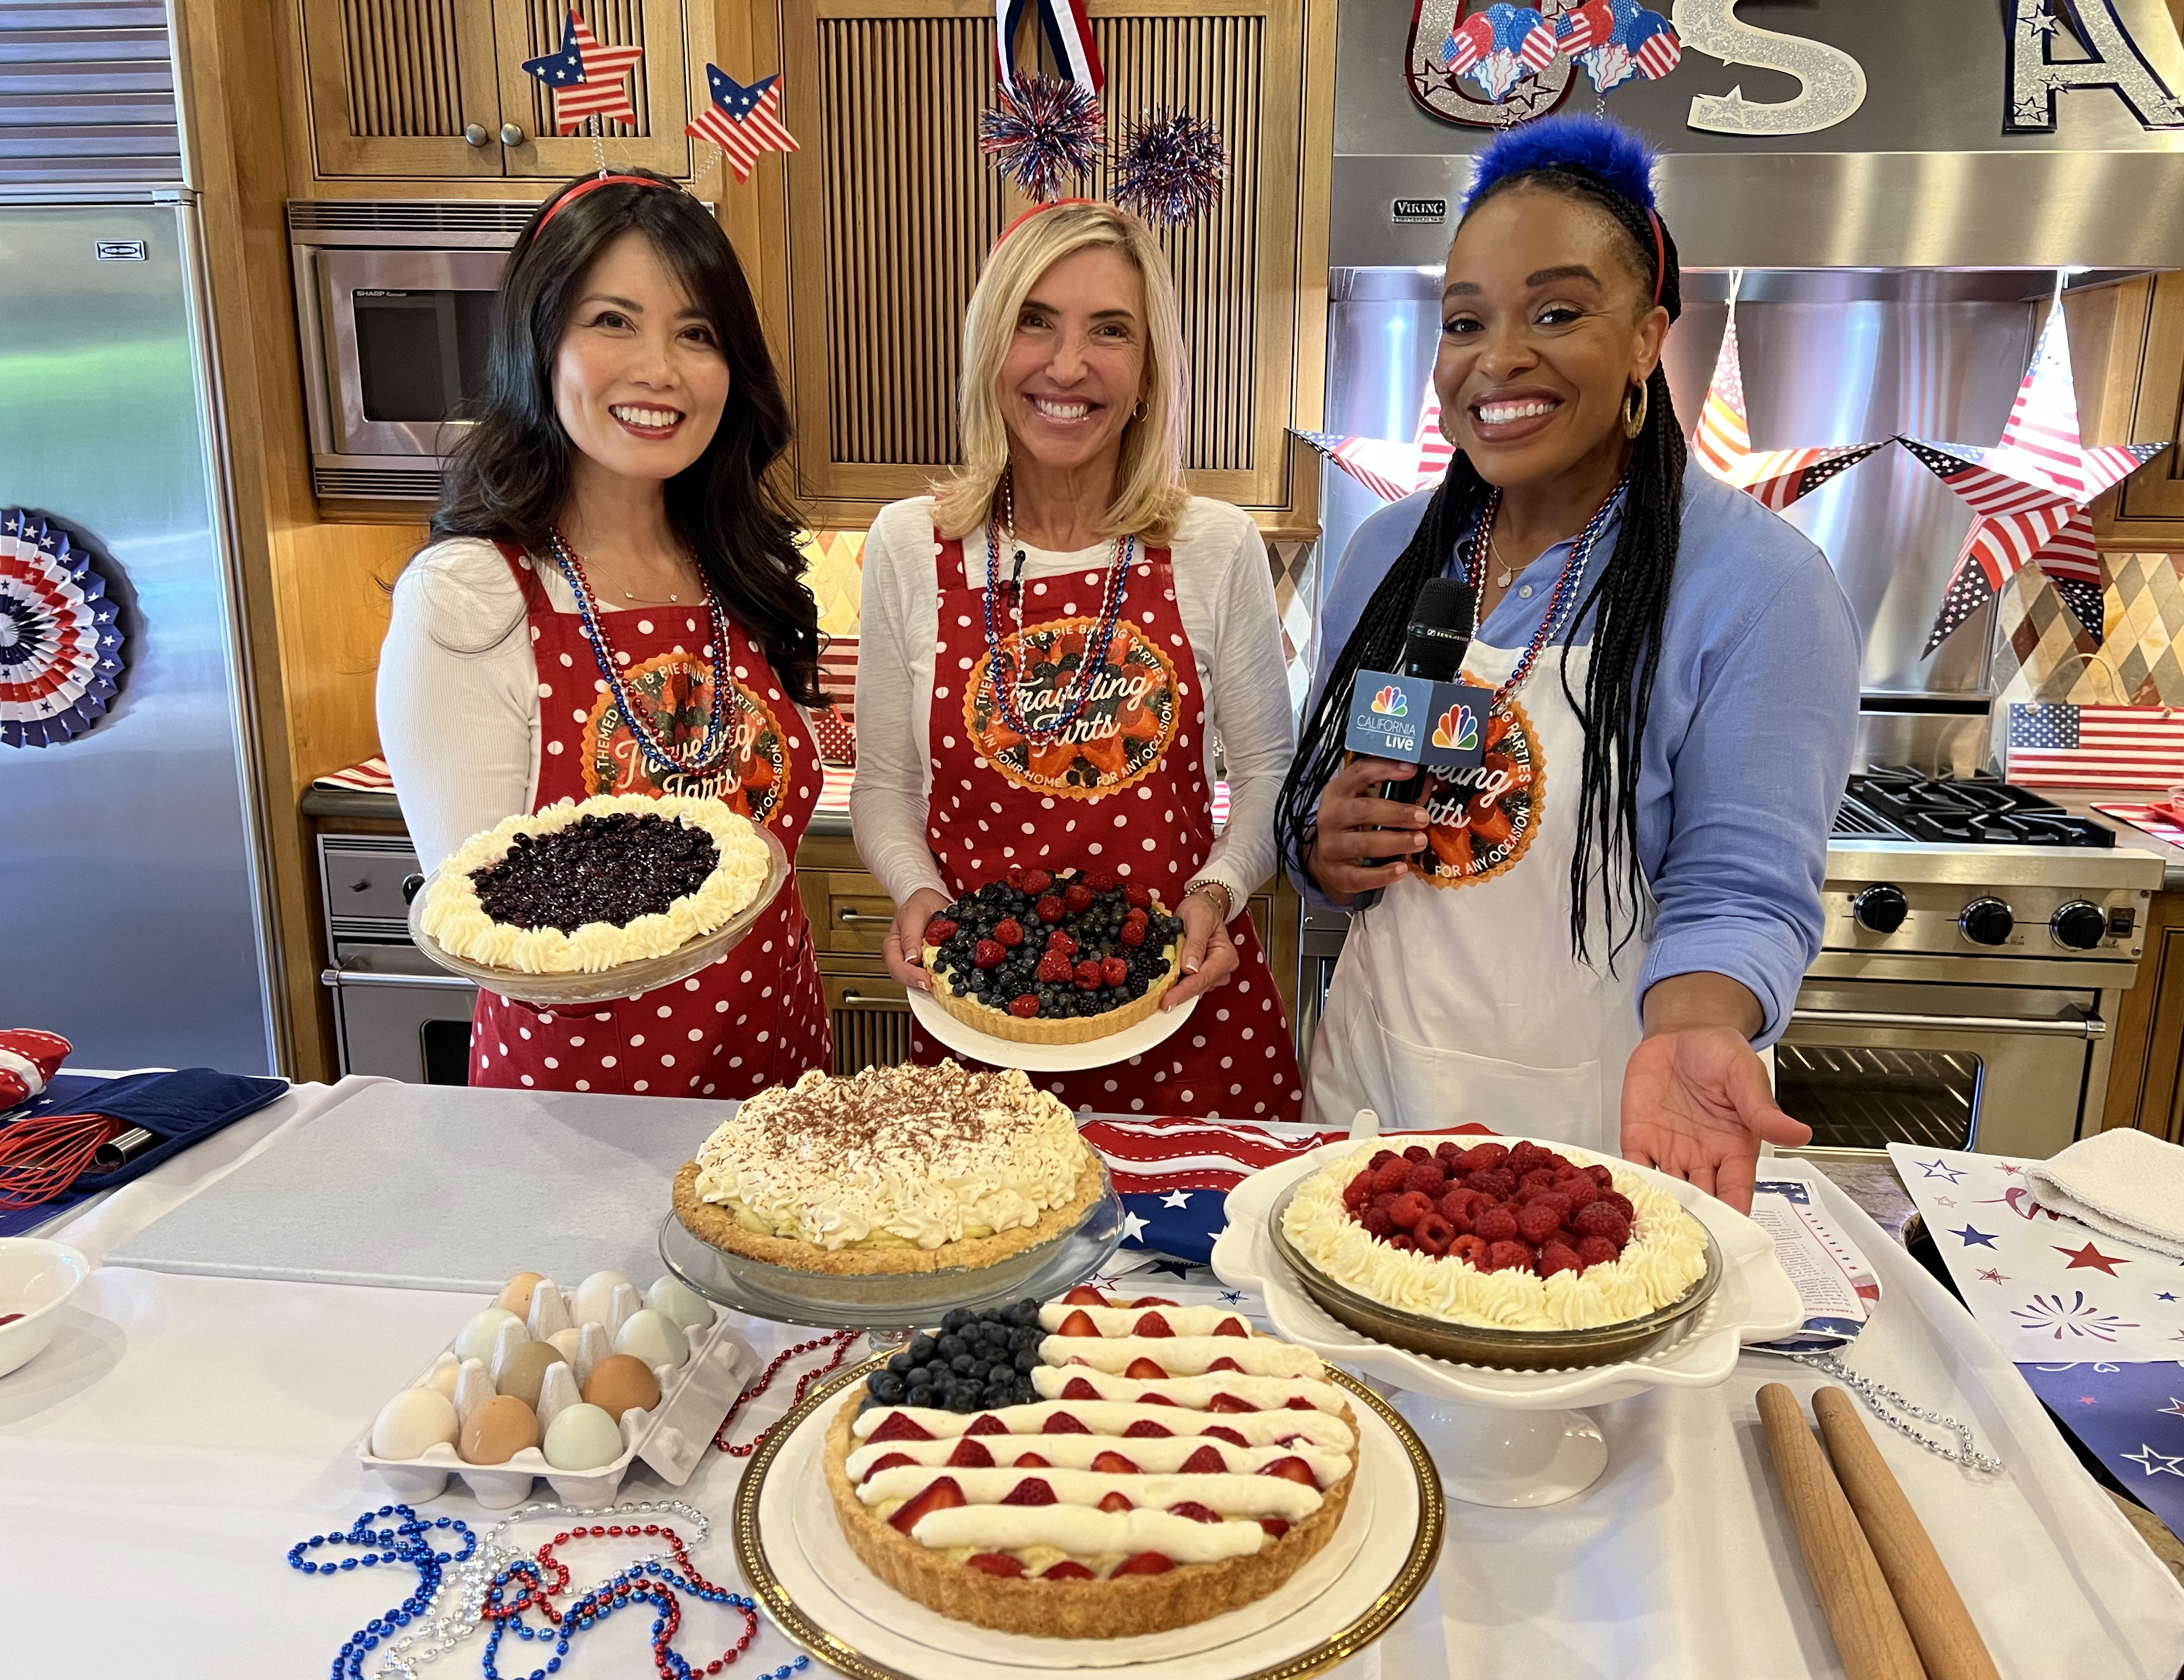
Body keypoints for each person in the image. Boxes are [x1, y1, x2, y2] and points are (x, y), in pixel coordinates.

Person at [1276, 116, 1859, 1207]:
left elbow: (1738, 889)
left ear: (1645, 338)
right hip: (1370, 1102)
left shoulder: (1759, 586)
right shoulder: (1386, 555)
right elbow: (1323, 806)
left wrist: (1698, 1028)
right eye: (1465, 321)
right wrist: (1325, 845)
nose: (1497, 358)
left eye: (1555, 313)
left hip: (1601, 1140)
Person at [377, 169, 832, 1097]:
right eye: (612, 321)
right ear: (539, 341)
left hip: (778, 1085)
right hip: (580, 1113)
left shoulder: (737, 571)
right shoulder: (472, 596)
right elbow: (489, 921)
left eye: (696, 333)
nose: (659, 368)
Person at [851, 201, 1304, 1117]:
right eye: (1035, 322)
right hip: (984, 1022)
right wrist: (919, 892)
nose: (1066, 365)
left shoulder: (1213, 545)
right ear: (990, 352)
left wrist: (1217, 891)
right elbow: (884, 788)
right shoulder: (909, 544)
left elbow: (1268, 772)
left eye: (1109, 330)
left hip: (1185, 1015)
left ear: (1147, 375)